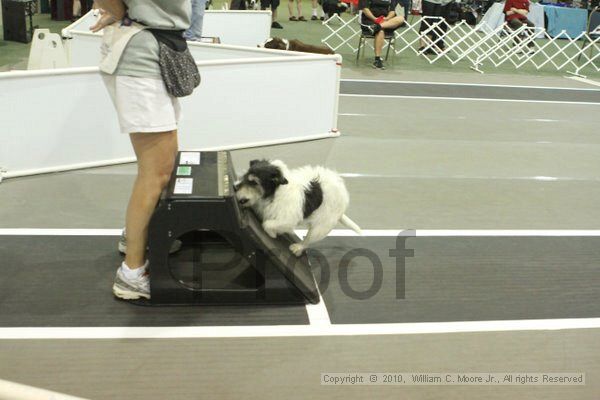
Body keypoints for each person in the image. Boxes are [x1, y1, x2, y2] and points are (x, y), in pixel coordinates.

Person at [91, 0, 192, 300]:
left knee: (163, 166)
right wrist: (119, 12)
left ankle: (138, 236)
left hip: (154, 50)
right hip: (141, 57)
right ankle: (131, 273)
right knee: (156, 172)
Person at [359, 0, 405, 69]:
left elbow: (392, 11)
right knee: (380, 31)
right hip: (370, 20)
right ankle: (377, 60)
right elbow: (365, 9)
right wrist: (375, 19)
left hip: (385, 22)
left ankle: (378, 27)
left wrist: (387, 18)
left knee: (401, 18)